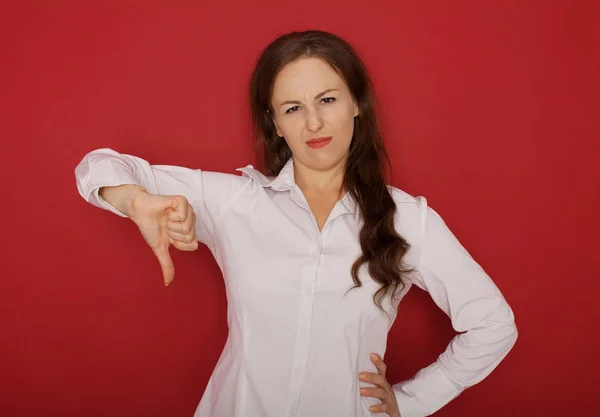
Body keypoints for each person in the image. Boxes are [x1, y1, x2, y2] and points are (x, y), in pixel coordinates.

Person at [74, 30, 518, 417]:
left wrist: (412, 401)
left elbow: (494, 324)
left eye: (327, 99)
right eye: (292, 108)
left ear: (357, 103)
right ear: (275, 123)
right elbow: (97, 166)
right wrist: (134, 200)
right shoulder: (236, 203)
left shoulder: (408, 221)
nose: (313, 122)